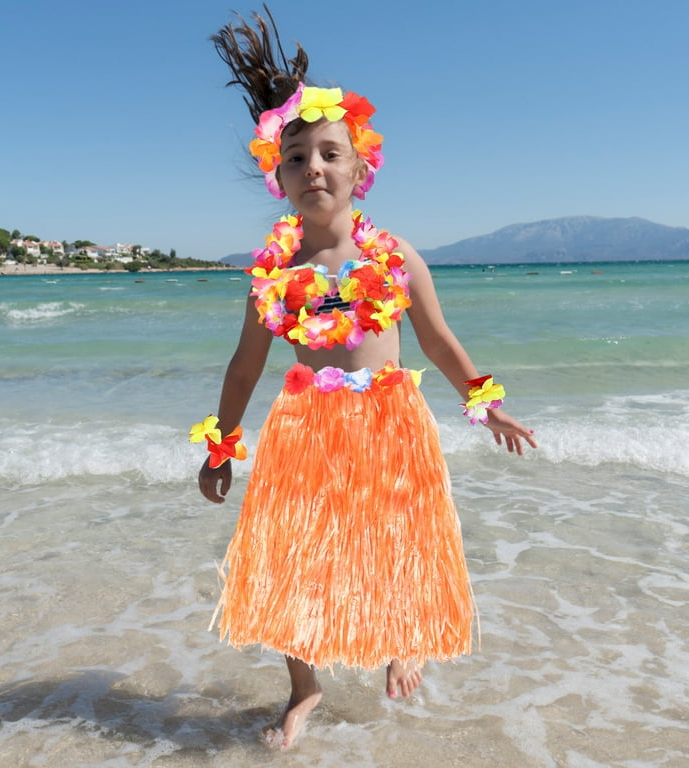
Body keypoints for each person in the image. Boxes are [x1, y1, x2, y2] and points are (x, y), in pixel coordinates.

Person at [196, 7, 537, 750]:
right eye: (297, 157)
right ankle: (304, 687)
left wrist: (489, 405)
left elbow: (439, 342)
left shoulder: (394, 255)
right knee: (295, 556)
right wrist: (221, 444)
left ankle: (403, 640)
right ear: (277, 176)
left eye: (329, 153)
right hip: (304, 426)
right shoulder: (274, 269)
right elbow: (246, 364)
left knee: (396, 537)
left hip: (388, 421)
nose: (313, 167)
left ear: (359, 167)